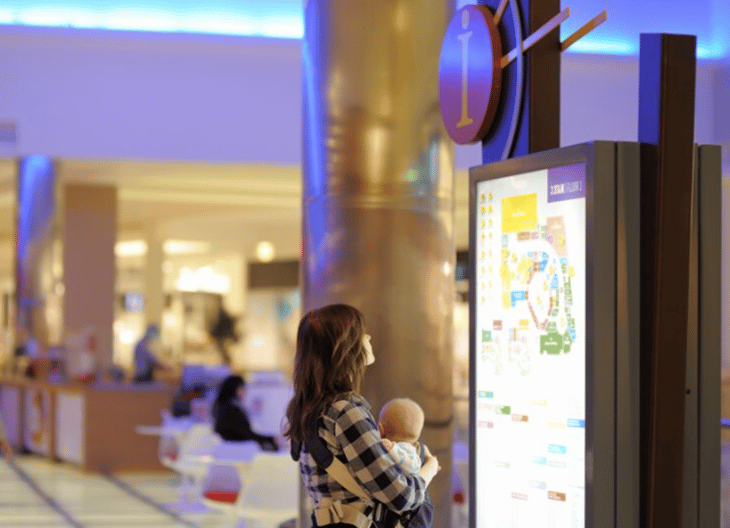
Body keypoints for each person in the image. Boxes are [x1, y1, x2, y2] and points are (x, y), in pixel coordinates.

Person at [286, 304, 440, 528]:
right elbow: (401, 497)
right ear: (344, 348)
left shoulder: (307, 409)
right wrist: (430, 469)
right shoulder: (346, 413)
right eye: (360, 333)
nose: (368, 337)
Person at [212, 375, 278, 450]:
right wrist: (270, 439)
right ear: (235, 389)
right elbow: (245, 434)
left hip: (232, 447)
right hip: (239, 448)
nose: (244, 392)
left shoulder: (221, 407)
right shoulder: (231, 410)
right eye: (242, 389)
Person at [378, 398, 426, 476]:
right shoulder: (411, 450)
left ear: (381, 430)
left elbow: (413, 466)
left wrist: (393, 449)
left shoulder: (408, 451)